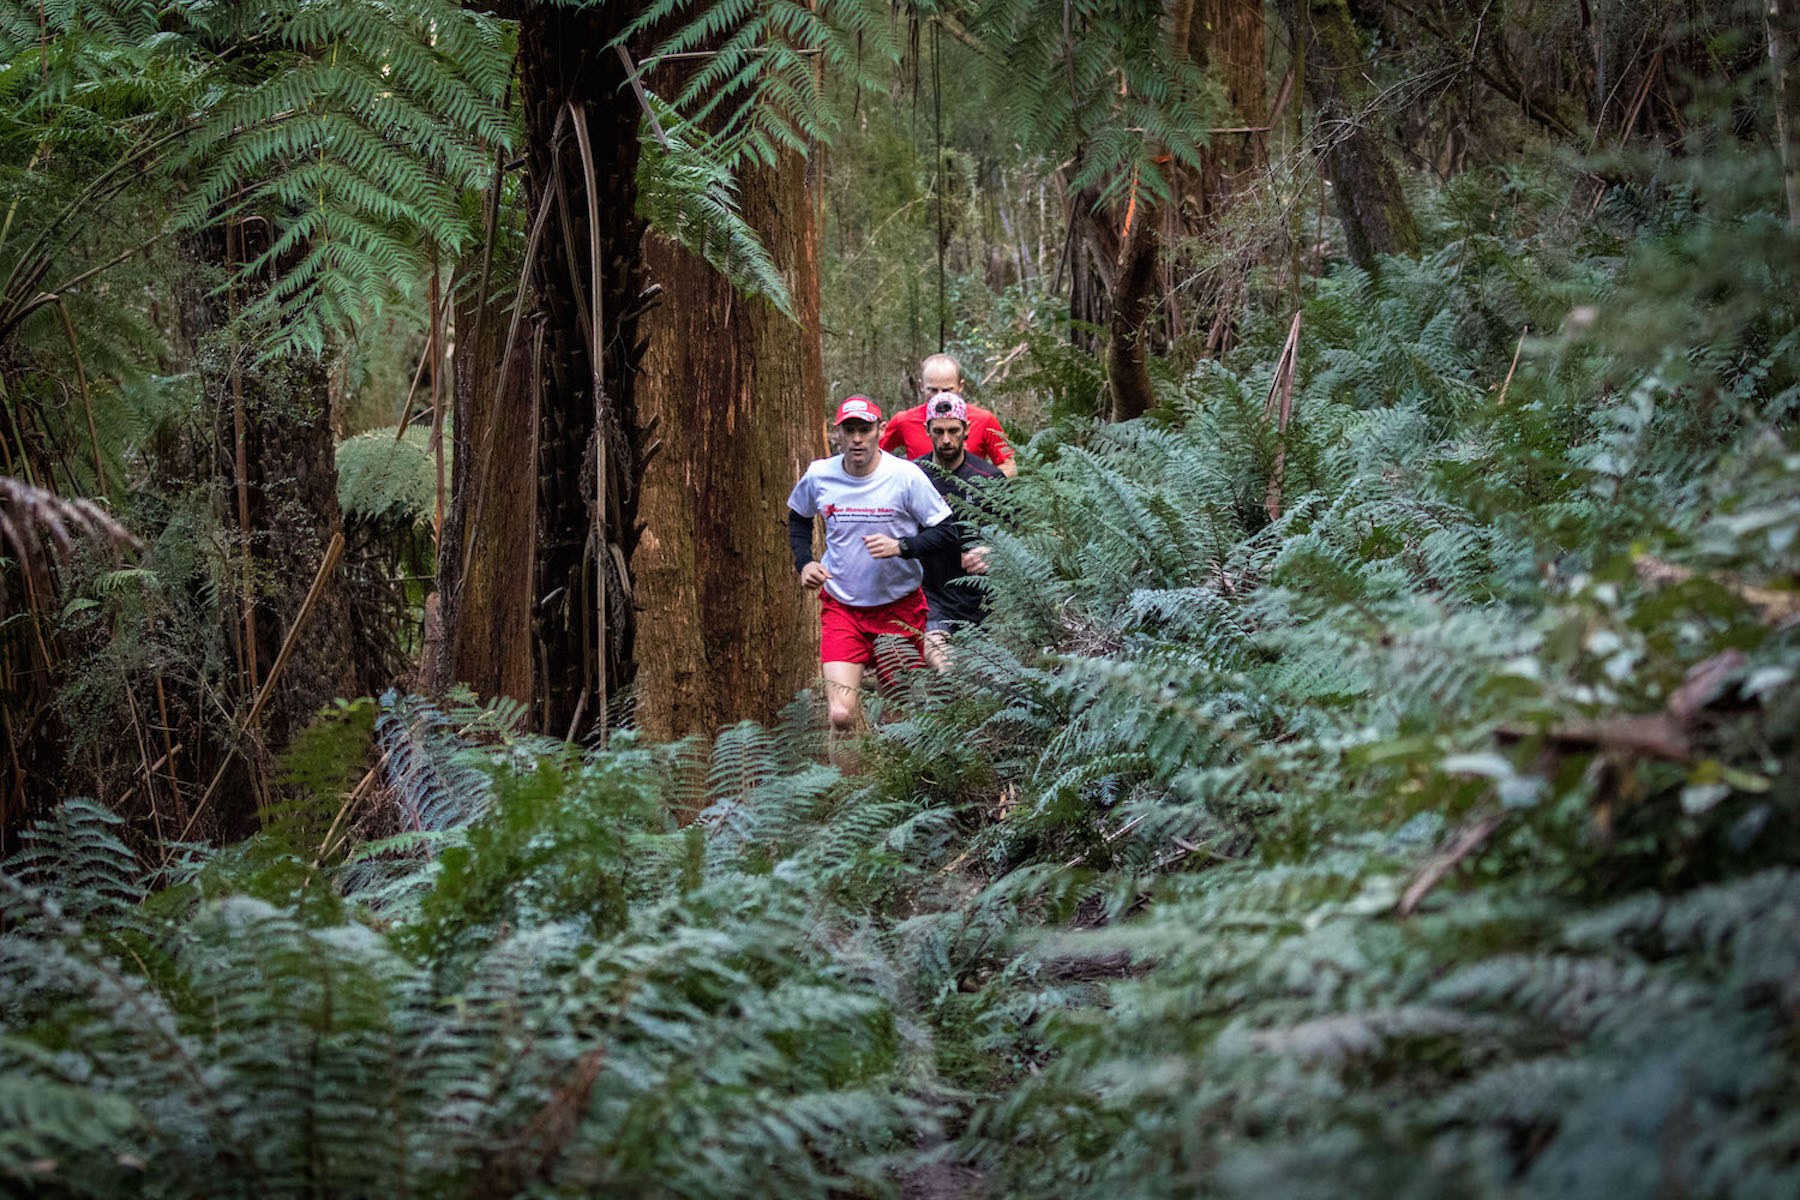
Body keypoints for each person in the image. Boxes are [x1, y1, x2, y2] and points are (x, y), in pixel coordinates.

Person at [788, 395, 960, 742]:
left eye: (864, 430)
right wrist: (804, 562)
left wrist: (902, 547)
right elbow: (798, 517)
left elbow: (947, 530)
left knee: (898, 714)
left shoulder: (905, 476)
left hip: (899, 608)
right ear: (837, 433)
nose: (856, 439)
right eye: (849, 430)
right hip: (842, 607)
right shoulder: (820, 474)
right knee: (840, 713)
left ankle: (889, 791)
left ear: (879, 431)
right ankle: (844, 792)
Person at [909, 393, 1003, 664]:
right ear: (927, 430)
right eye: (938, 431)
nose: (946, 439)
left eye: (953, 431)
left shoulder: (988, 477)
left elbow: (1016, 533)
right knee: (940, 659)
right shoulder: (913, 475)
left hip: (983, 597)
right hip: (931, 591)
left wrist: (992, 551)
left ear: (967, 430)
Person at [879, 353, 1018, 477]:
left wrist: (980, 490)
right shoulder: (904, 420)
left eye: (947, 390)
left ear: (961, 386)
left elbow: (1009, 466)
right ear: (921, 386)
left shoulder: (984, 419)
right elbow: (872, 454)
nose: (940, 397)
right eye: (933, 390)